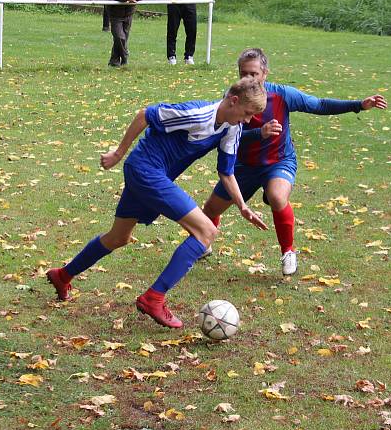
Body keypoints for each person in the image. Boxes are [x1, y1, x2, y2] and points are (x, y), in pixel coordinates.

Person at [46, 77, 269, 329]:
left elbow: (226, 172)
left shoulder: (232, 128)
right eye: (248, 113)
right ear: (233, 100)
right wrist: (118, 153)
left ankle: (63, 275)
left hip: (154, 175)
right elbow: (145, 115)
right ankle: (154, 298)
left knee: (118, 237)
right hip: (145, 169)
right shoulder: (197, 114)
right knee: (206, 230)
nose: (249, 121)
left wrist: (242, 206)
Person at [201, 48, 388, 275]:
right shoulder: (232, 97)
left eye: (254, 74)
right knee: (211, 208)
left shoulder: (283, 95)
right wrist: (259, 133)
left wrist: (359, 104)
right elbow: (225, 135)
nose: (248, 79)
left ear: (265, 73)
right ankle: (204, 244)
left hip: (279, 161)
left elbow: (319, 105)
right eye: (243, 73)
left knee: (277, 196)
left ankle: (288, 252)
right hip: (244, 165)